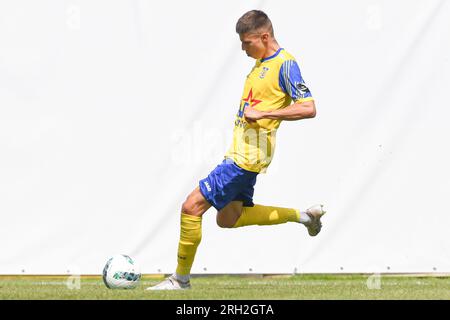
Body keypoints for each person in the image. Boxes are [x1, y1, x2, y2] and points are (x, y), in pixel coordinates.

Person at [147, 10, 325, 290]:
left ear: (264, 37)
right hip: (242, 155)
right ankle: (304, 216)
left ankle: (179, 279)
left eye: (247, 42)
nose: (242, 49)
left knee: (191, 207)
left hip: (246, 159)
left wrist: (264, 112)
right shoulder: (259, 63)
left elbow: (308, 107)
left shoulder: (285, 64)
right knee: (228, 219)